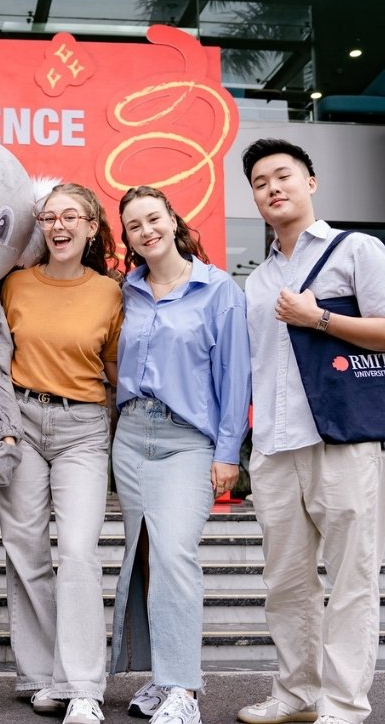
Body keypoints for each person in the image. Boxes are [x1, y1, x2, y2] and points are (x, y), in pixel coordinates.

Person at [235, 140, 385, 724]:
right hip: (276, 449)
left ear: (311, 181)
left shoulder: (357, 249)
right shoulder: (257, 282)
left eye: (283, 176)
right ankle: (296, 694)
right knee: (286, 586)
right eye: (260, 183)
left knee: (352, 580)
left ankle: (342, 704)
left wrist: (320, 319)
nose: (272, 188)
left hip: (348, 442)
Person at [111, 186, 251, 724]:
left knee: (174, 555)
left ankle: (184, 691)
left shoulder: (218, 291)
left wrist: (227, 453)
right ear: (126, 236)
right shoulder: (128, 291)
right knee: (145, 559)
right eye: (134, 224)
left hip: (188, 440)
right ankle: (161, 677)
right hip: (131, 437)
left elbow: (235, 378)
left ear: (173, 220)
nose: (147, 230)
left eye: (154, 218)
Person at [0, 183, 122, 724]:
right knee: (25, 549)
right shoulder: (15, 284)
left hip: (84, 427)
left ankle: (83, 686)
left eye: (72, 216)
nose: (60, 225)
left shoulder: (112, 293)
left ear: (93, 227)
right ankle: (42, 675)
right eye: (50, 216)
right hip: (21, 421)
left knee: (75, 549)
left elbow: (118, 372)